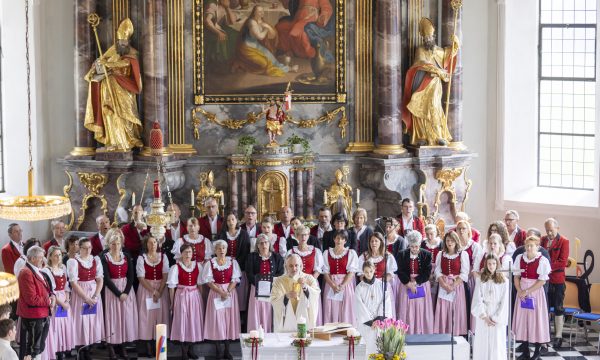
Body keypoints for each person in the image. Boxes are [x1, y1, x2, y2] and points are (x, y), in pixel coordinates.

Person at [84, 18, 143, 151]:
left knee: (126, 115)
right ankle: (112, 141)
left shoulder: (132, 53)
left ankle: (129, 138)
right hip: (108, 86)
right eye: (119, 42)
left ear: (128, 42)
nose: (121, 44)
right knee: (108, 111)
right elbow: (101, 61)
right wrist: (98, 64)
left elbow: (127, 63)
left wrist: (109, 64)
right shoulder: (112, 50)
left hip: (124, 88)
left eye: (123, 42)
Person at [402, 17, 458, 146]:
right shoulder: (420, 49)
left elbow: (447, 56)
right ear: (422, 36)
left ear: (434, 36)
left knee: (435, 107)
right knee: (422, 108)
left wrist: (455, 45)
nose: (429, 39)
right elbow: (420, 63)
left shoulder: (438, 50)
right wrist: (437, 70)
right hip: (422, 82)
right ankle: (422, 136)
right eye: (426, 37)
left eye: (430, 37)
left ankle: (438, 136)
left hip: (435, 84)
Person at [100, 227, 138, 359]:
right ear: (109, 244)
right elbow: (106, 279)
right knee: (113, 319)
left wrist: (126, 293)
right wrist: (118, 294)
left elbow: (131, 276)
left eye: (118, 243)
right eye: (113, 243)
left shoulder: (126, 256)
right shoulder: (104, 257)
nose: (116, 246)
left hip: (126, 291)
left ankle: (122, 346)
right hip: (112, 291)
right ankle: (111, 346)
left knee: (124, 318)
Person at [202, 240, 242, 359]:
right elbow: (208, 281)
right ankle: (218, 351)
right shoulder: (210, 263)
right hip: (216, 293)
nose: (221, 250)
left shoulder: (233, 262)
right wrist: (220, 292)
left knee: (229, 321)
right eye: (219, 248)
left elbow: (235, 279)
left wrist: (228, 291)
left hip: (230, 293)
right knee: (217, 321)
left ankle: (227, 350)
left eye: (223, 248)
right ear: (215, 251)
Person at [513, 236, 551, 359]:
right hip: (522, 292)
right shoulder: (520, 258)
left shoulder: (542, 260)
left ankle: (536, 352)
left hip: (535, 292)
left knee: (537, 321)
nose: (529, 248)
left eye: (532, 245)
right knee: (522, 321)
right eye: (527, 245)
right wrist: (520, 291)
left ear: (537, 246)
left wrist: (527, 291)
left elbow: (542, 281)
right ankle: (525, 351)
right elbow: (516, 277)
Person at [66, 237, 104, 360]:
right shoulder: (73, 261)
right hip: (80, 294)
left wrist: (95, 295)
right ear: (79, 248)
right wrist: (86, 298)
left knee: (92, 321)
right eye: (84, 248)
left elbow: (100, 280)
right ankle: (80, 349)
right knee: (80, 321)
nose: (88, 250)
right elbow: (73, 283)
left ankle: (89, 349)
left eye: (89, 248)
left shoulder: (96, 260)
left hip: (94, 293)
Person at [167, 244, 204, 360]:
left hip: (194, 296)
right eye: (185, 252)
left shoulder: (198, 266)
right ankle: (183, 351)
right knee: (183, 322)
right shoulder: (175, 267)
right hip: (181, 296)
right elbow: (172, 287)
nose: (188, 255)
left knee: (193, 322)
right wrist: (172, 303)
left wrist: (201, 299)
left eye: (189, 252)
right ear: (181, 254)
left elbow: (200, 285)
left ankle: (191, 349)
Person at [232, 6, 290, 77]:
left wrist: (268, 28)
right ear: (254, 13)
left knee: (272, 59)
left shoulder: (261, 21)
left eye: (262, 11)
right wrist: (266, 29)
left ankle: (286, 69)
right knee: (264, 64)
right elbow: (260, 37)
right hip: (247, 49)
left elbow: (273, 35)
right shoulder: (252, 22)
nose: (262, 13)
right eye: (259, 11)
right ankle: (241, 63)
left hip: (256, 46)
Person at [17, 246, 53, 360]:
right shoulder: (26, 273)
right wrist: (49, 301)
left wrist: (52, 296)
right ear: (32, 258)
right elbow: (31, 299)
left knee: (39, 348)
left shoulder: (37, 270)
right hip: (33, 317)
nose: (43, 260)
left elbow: (47, 290)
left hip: (42, 314)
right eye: (41, 258)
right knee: (33, 350)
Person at [136, 235, 170, 357]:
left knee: (161, 317)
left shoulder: (163, 256)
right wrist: (153, 291)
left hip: (161, 288)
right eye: (150, 243)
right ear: (146, 245)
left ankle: (160, 346)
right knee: (147, 318)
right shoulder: (141, 258)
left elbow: (165, 275)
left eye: (155, 242)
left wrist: (159, 291)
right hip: (147, 289)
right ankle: (148, 345)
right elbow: (141, 278)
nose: (153, 245)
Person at [471, 254, 509, 360]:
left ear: (497, 264)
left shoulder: (504, 281)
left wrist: (495, 318)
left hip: (497, 316)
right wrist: (484, 316)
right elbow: (478, 299)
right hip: (484, 315)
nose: (491, 266)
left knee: (496, 343)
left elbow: (504, 302)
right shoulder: (481, 280)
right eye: (489, 264)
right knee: (483, 342)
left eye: (493, 263)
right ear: (486, 264)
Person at [271, 254, 321, 332]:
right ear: (286, 266)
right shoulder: (278, 281)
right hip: (286, 324)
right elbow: (274, 300)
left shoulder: (309, 279)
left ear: (301, 266)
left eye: (296, 265)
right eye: (290, 266)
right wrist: (286, 297)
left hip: (305, 320)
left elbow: (315, 296)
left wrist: (305, 288)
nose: (294, 269)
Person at [285, 225, 324, 325]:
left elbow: (318, 269)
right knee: (297, 309)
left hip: (311, 284)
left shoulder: (316, 251)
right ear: (297, 236)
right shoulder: (291, 252)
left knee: (311, 309)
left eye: (306, 235)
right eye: (301, 235)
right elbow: (288, 269)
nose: (303, 237)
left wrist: (309, 281)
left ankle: (312, 329)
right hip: (295, 285)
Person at [396, 231, 434, 334]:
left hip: (421, 284)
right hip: (406, 284)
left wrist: (416, 283)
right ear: (409, 245)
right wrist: (408, 284)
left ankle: (420, 331)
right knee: (407, 309)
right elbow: (400, 271)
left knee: (420, 309)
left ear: (420, 244)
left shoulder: (427, 254)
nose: (414, 249)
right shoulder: (402, 254)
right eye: (412, 247)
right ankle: (407, 331)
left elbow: (427, 272)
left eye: (417, 246)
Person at [246, 234, 285, 333]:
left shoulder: (277, 257)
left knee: (269, 312)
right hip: (256, 290)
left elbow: (280, 272)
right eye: (261, 243)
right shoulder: (252, 257)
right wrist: (258, 284)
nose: (264, 245)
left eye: (266, 242)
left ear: (269, 244)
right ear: (257, 245)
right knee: (256, 313)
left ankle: (268, 333)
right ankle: (255, 335)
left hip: (272, 290)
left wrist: (271, 284)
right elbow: (249, 273)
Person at [540, 218, 569, 349]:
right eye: (547, 230)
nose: (549, 233)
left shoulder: (564, 241)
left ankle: (558, 336)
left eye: (551, 230)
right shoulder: (543, 240)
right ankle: (545, 335)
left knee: (558, 308)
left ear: (557, 228)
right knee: (545, 308)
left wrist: (546, 266)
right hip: (545, 281)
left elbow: (562, 262)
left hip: (558, 280)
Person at [434, 231, 470, 336]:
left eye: (452, 240)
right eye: (448, 240)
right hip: (443, 285)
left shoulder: (463, 254)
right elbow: (437, 271)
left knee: (456, 310)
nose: (450, 243)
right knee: (444, 310)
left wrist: (452, 286)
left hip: (457, 286)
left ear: (456, 241)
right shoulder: (441, 254)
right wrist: (444, 285)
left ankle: (456, 334)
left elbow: (464, 273)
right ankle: (443, 333)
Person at [354, 261, 393, 356]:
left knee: (380, 347)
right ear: (363, 271)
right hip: (367, 324)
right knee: (367, 348)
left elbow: (385, 302)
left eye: (370, 271)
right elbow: (359, 306)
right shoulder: (359, 288)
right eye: (366, 272)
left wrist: (378, 319)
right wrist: (370, 321)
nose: (368, 274)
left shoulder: (381, 285)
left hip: (380, 322)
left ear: (374, 270)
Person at [42, 246, 73, 360]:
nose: (58, 257)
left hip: (64, 299)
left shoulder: (63, 268)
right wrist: (62, 303)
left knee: (63, 326)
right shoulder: (46, 270)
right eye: (55, 255)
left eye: (60, 255)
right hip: (55, 301)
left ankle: (62, 351)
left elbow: (66, 286)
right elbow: (50, 290)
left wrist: (67, 300)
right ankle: (54, 351)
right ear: (49, 256)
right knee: (55, 327)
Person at [357, 233, 398, 319]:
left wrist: (379, 283)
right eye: (372, 241)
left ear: (381, 242)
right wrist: (368, 283)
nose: (374, 243)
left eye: (376, 241)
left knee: (384, 311)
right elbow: (360, 274)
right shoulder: (364, 256)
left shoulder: (388, 256)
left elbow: (391, 274)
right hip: (367, 287)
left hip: (383, 286)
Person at [322, 230, 358, 326]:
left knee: (345, 308)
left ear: (345, 241)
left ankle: (346, 331)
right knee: (330, 308)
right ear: (334, 239)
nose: (339, 240)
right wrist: (333, 285)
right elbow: (325, 272)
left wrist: (342, 285)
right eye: (337, 238)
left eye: (342, 238)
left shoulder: (350, 253)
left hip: (345, 285)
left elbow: (351, 272)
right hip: (330, 284)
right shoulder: (326, 253)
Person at [217, 213, 251, 313]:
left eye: (233, 219)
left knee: (240, 295)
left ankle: (239, 316)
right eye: (228, 220)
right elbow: (219, 251)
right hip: (224, 267)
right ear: (226, 223)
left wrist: (234, 264)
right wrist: (226, 264)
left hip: (239, 268)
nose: (231, 222)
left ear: (236, 221)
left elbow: (245, 252)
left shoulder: (244, 234)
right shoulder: (222, 234)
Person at [456, 220, 482, 309]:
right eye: (459, 229)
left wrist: (464, 277)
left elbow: (476, 266)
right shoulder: (455, 246)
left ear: (468, 230)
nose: (461, 231)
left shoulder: (475, 246)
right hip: (456, 278)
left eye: (463, 228)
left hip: (470, 278)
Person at [204, 0, 238, 64]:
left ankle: (232, 61)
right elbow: (207, 21)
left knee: (235, 34)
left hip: (218, 29)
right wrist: (218, 32)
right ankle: (220, 62)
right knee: (225, 37)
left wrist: (227, 8)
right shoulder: (213, 6)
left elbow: (232, 22)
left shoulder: (224, 8)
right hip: (209, 31)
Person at [422, 224, 442, 306]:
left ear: (436, 232)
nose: (429, 236)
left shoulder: (441, 243)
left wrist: (435, 273)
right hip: (426, 268)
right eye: (427, 234)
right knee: (427, 291)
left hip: (439, 268)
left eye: (431, 234)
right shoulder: (423, 243)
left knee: (436, 291)